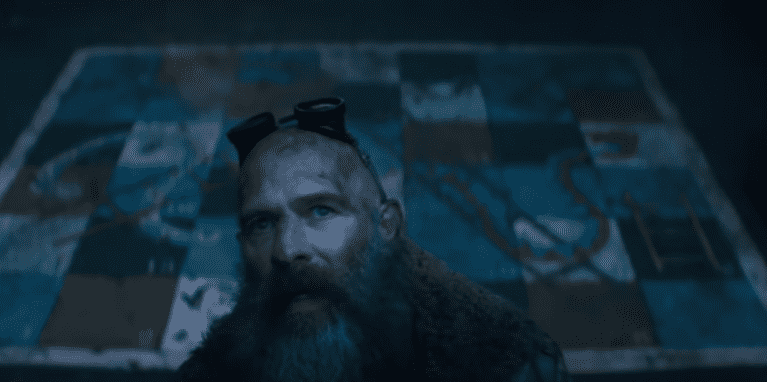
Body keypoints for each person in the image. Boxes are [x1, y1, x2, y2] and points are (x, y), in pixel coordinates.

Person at [175, 98, 572, 382]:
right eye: (262, 223)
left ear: (387, 225)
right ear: (242, 244)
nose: (287, 249)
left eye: (320, 210)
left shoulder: (515, 367)